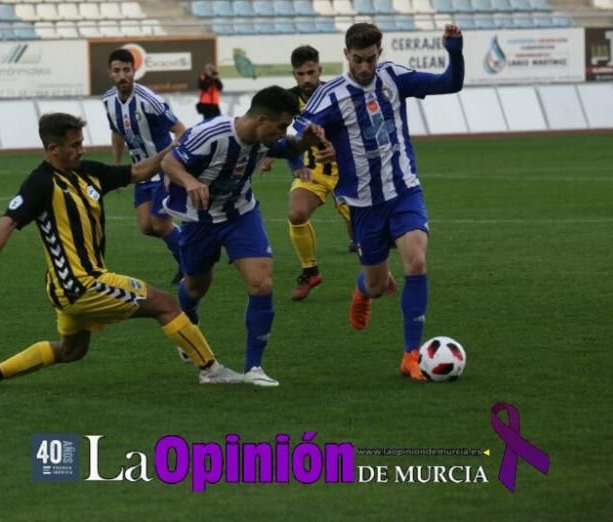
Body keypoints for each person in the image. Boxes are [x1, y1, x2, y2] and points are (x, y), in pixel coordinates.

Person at [0, 113, 243, 386]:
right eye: (75, 145)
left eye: (81, 142)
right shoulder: (40, 182)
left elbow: (137, 171)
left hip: (65, 287)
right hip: (82, 283)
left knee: (71, 351)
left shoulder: (89, 172)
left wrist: (170, 151)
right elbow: (8, 221)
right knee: (166, 304)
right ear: (53, 149)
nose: (82, 149)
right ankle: (212, 370)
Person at [295, 22, 465, 381]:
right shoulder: (331, 95)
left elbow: (451, 83)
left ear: (380, 53)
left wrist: (454, 51)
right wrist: (314, 138)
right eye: (357, 60)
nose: (364, 68)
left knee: (416, 262)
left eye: (370, 59)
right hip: (363, 204)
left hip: (404, 190)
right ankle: (362, 291)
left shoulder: (394, 77)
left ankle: (410, 355)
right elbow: (299, 132)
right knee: (376, 285)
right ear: (345, 56)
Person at [162, 86, 332, 387]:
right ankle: (188, 324)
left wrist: (308, 140)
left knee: (261, 282)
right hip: (199, 219)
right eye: (281, 126)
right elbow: (169, 163)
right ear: (262, 119)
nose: (282, 133)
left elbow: (289, 147)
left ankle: (254, 367)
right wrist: (189, 181)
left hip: (241, 214)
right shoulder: (210, 133)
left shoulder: (265, 138)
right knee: (196, 285)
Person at [261, 45, 357, 301]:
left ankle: (382, 275)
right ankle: (310, 271)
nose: (306, 79)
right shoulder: (290, 101)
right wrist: (271, 154)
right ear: (294, 75)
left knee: (360, 236)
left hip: (347, 171)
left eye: (311, 72)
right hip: (314, 171)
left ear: (319, 70)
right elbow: (277, 131)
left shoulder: (337, 94)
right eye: (300, 74)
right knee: (296, 213)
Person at [102, 49, 186, 283]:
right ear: (110, 73)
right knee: (147, 226)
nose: (122, 76)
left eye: (126, 70)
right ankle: (189, 251)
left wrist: (174, 163)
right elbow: (117, 133)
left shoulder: (149, 100)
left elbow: (181, 130)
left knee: (160, 224)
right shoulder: (108, 100)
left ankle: (190, 262)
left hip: (162, 168)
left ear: (134, 71)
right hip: (141, 171)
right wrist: (117, 168)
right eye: (117, 71)